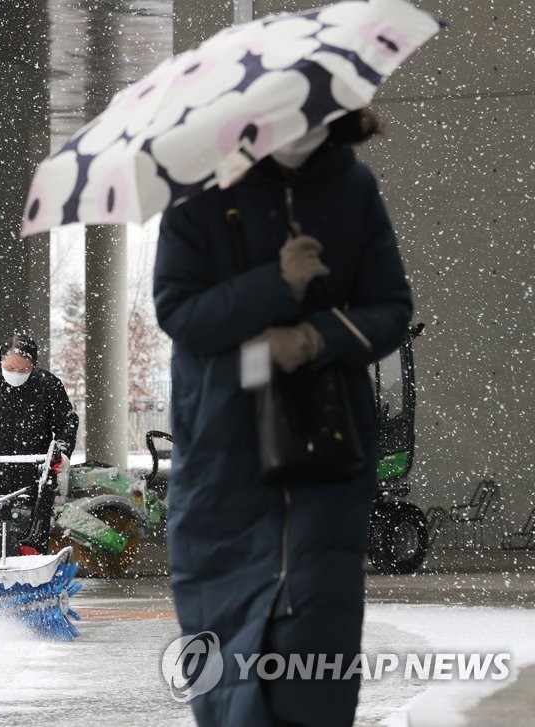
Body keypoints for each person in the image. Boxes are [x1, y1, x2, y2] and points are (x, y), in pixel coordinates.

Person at [153, 109, 412, 726]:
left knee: (314, 644)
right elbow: (179, 312)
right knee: (223, 641)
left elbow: (390, 307)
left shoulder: (352, 188)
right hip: (222, 449)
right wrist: (277, 284)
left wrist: (316, 339)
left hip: (326, 445)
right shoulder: (200, 191)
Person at [0, 333, 79, 552]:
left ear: (33, 365)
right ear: (0, 361)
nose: (16, 374)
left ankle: (32, 562)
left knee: (31, 531)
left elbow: (67, 422)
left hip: (36, 474)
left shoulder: (48, 386)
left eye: (23, 370)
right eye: (10, 368)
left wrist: (63, 452)